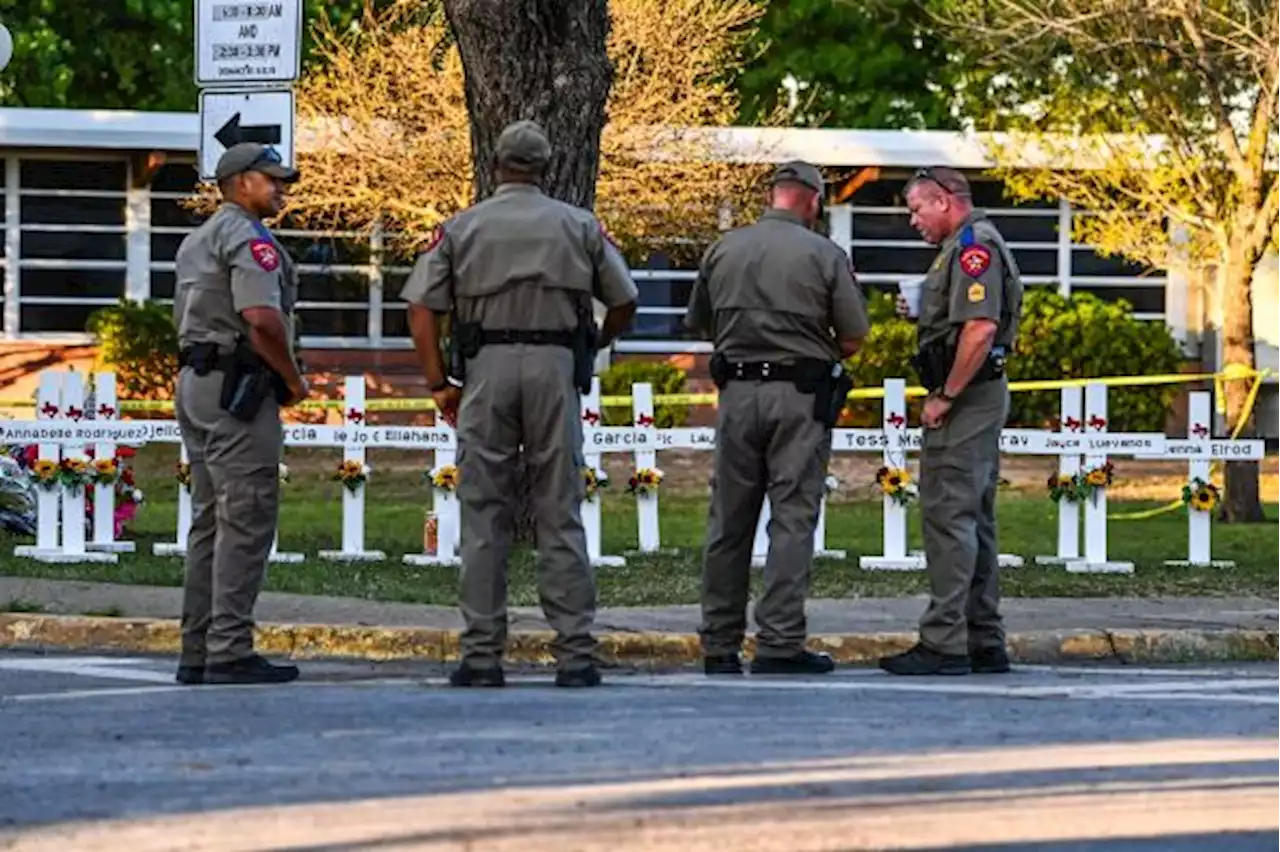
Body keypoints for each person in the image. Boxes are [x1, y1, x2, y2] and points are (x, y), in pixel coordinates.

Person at [402, 120, 638, 689]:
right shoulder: (579, 225)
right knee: (560, 508)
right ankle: (576, 653)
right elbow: (625, 298)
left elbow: (419, 307)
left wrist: (439, 382)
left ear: (497, 165)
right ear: (545, 167)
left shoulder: (462, 227)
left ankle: (483, 654)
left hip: (486, 370)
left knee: (484, 510)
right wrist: (596, 341)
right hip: (556, 368)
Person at [685, 160, 870, 677]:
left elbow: (700, 321)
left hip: (738, 394)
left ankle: (719, 643)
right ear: (812, 200)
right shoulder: (825, 255)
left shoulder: (724, 249)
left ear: (772, 196)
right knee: (791, 518)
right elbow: (853, 337)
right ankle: (780, 641)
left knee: (729, 519)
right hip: (800, 396)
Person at [171, 143, 310, 685]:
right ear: (243, 182)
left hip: (199, 383)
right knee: (247, 517)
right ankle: (229, 648)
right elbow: (262, 319)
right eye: (273, 181)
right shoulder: (250, 239)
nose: (282, 190)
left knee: (209, 519)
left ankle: (198, 647)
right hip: (239, 388)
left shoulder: (197, 238)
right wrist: (293, 379)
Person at [879, 166, 1024, 677]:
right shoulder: (964, 247)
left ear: (944, 201)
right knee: (974, 521)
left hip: (968, 398)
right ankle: (983, 638)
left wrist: (945, 395)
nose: (914, 220)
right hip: (976, 394)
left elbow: (981, 329)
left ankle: (944, 642)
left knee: (948, 516)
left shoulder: (973, 247)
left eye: (917, 209)